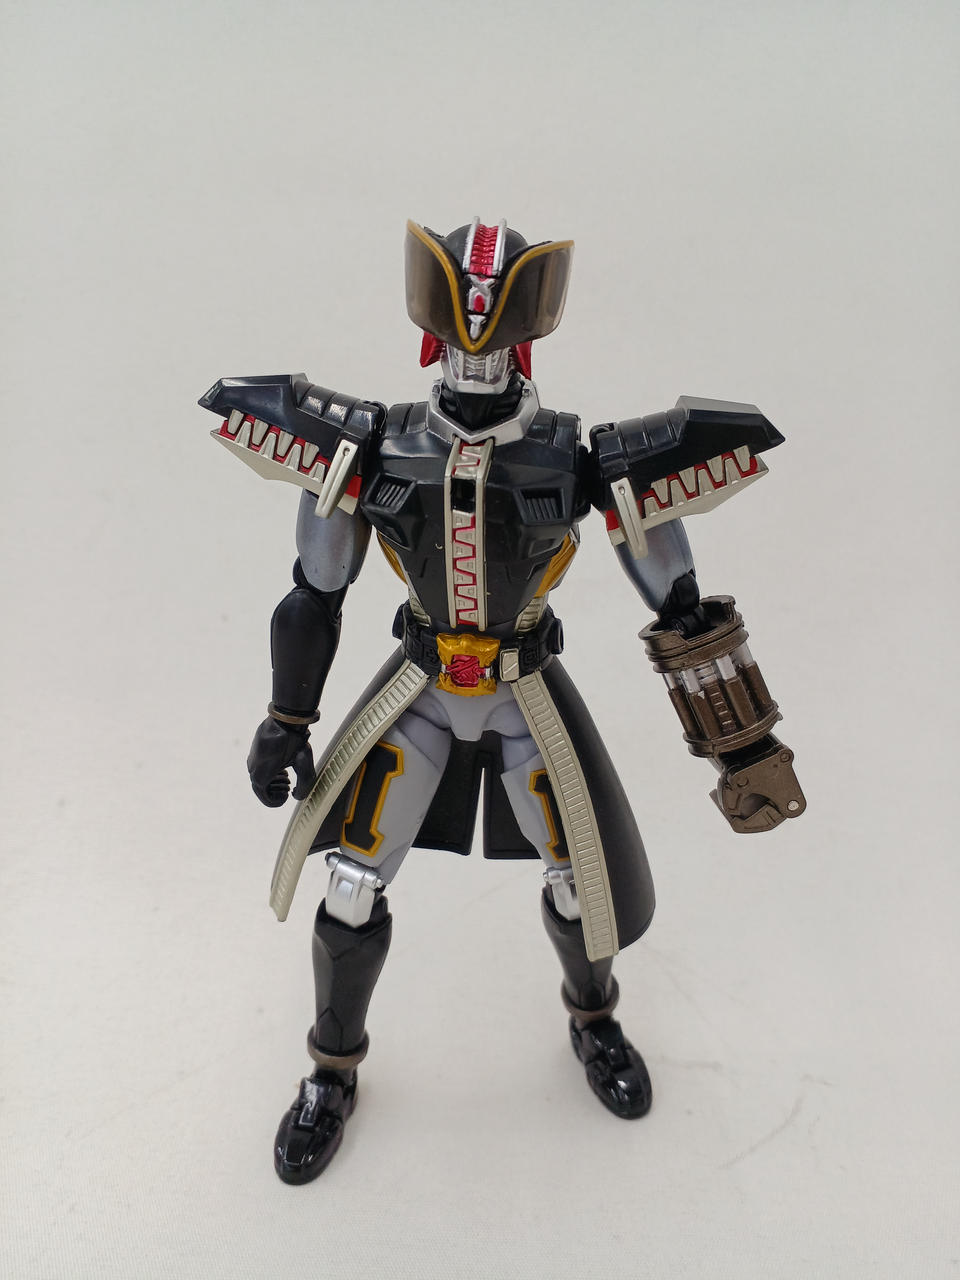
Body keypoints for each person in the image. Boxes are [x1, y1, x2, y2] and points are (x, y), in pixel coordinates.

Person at [200, 217, 804, 1183]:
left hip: (525, 694)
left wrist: (742, 747)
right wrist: (287, 720)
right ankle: (331, 1070)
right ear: (434, 338)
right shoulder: (371, 447)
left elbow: (682, 609)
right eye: (461, 343)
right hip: (422, 693)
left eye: (494, 345)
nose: (476, 364)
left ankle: (594, 1018)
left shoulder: (578, 458)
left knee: (579, 880)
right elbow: (315, 593)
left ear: (523, 342)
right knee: (351, 884)